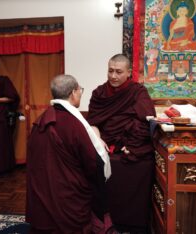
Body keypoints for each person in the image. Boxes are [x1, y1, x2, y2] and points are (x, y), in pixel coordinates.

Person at [26, 74, 111, 234]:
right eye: (80, 90)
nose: (80, 93)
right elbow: (92, 163)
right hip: (67, 196)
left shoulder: (41, 120)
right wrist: (97, 139)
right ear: (73, 93)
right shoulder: (73, 124)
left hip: (41, 189)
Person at [87, 54, 156, 233]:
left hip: (129, 144)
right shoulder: (99, 93)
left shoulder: (138, 91)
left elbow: (146, 119)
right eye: (110, 71)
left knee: (141, 164)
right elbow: (93, 122)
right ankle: (102, 218)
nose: (113, 76)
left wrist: (132, 144)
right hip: (104, 143)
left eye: (119, 72)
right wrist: (98, 139)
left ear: (128, 73)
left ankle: (133, 223)